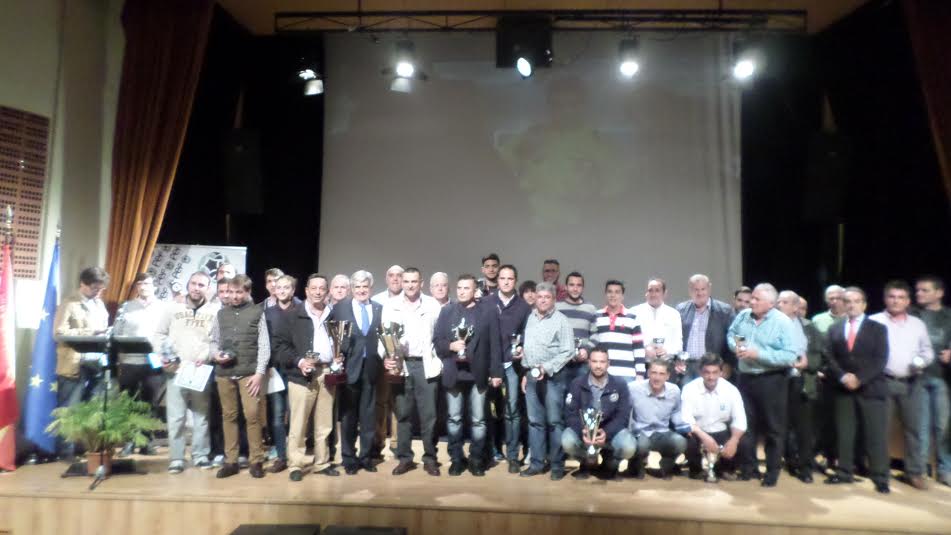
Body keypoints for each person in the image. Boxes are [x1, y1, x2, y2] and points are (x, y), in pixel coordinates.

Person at [727, 283, 798, 487]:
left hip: (772, 380)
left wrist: (758, 354)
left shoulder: (783, 322)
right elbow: (732, 334)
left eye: (757, 299)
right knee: (745, 425)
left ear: (771, 303)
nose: (752, 301)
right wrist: (737, 346)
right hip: (745, 378)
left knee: (773, 428)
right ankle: (748, 468)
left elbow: (789, 356)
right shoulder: (743, 316)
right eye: (752, 298)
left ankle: (772, 471)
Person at [823, 286, 891, 494]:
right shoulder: (834, 329)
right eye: (847, 301)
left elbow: (880, 359)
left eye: (856, 301)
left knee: (875, 435)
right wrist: (843, 376)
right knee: (845, 433)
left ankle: (880, 477)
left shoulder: (878, 328)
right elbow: (829, 357)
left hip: (871, 388)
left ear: (864, 305)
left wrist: (859, 379)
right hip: (843, 389)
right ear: (842, 304)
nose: (851, 305)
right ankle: (844, 472)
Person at [434, 274, 503, 477]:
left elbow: (495, 344)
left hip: (478, 374)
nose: (462, 291)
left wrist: (496, 372)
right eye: (460, 288)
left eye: (467, 288)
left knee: (479, 419)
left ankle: (476, 459)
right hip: (454, 373)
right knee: (454, 418)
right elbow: (437, 341)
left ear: (475, 291)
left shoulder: (488, 312)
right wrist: (451, 346)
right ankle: (456, 459)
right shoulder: (447, 311)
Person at [273, 274, 340, 481]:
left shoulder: (333, 315)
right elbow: (280, 347)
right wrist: (299, 361)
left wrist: (339, 357)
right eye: (314, 288)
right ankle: (295, 464)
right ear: (307, 291)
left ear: (327, 291)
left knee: (324, 423)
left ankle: (322, 462)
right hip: (302, 375)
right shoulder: (292, 315)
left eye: (322, 288)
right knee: (298, 423)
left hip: (327, 372)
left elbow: (341, 342)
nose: (318, 292)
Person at [870, 280, 934, 490]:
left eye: (901, 297)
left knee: (913, 429)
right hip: (883, 381)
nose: (896, 301)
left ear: (908, 301)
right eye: (892, 297)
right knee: (880, 429)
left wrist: (921, 361)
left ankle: (914, 472)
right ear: (885, 299)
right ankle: (879, 471)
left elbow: (927, 351)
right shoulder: (874, 321)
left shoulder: (918, 324)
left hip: (911, 383)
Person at [154, 271, 220, 473]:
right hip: (176, 370)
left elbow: (217, 340)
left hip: (200, 370)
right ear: (188, 285)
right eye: (193, 283)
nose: (196, 288)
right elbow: (159, 334)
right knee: (176, 417)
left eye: (201, 285)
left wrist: (207, 356)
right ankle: (176, 458)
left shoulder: (215, 311)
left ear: (208, 288)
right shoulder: (173, 308)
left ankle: (200, 455)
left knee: (201, 416)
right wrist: (163, 355)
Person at [209, 274, 271, 479]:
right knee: (229, 416)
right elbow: (214, 341)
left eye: (239, 292)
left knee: (252, 415)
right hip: (224, 373)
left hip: (249, 374)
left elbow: (264, 345)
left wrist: (259, 373)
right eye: (231, 292)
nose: (234, 296)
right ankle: (231, 461)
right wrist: (215, 355)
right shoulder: (221, 314)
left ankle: (256, 460)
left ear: (247, 292)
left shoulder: (257, 312)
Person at [382, 268, 443, 477]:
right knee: (403, 414)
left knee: (429, 416)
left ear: (421, 283)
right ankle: (405, 459)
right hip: (401, 365)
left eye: (414, 281)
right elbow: (383, 336)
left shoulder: (433, 305)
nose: (409, 285)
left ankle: (430, 459)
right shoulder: (391, 305)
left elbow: (440, 335)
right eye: (406, 281)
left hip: (426, 365)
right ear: (401, 282)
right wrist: (386, 357)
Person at [518, 282, 575, 481]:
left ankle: (557, 465)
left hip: (553, 378)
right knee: (535, 422)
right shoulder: (530, 318)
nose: (542, 300)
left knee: (554, 422)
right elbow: (528, 348)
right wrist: (526, 372)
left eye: (547, 297)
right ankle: (536, 463)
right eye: (540, 296)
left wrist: (547, 367)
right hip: (532, 377)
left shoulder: (562, 321)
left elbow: (568, 351)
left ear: (554, 299)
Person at [329, 270, 384, 475]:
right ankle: (349, 458)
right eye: (357, 287)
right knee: (348, 417)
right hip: (349, 369)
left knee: (368, 416)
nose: (361, 290)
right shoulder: (340, 308)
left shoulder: (378, 308)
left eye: (365, 286)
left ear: (371, 288)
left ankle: (366, 457)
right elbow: (332, 337)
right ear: (352, 289)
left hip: (371, 369)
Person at [53, 266, 110, 459]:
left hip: (97, 362)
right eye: (94, 288)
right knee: (69, 408)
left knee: (91, 408)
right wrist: (89, 332)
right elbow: (58, 333)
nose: (97, 292)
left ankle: (85, 447)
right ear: (82, 284)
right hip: (75, 363)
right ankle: (65, 452)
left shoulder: (99, 304)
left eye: (100, 289)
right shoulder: (69, 303)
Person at [562, 345, 635, 480]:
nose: (598, 366)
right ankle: (587, 461)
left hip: (609, 431)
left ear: (608, 364)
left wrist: (606, 433)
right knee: (567, 440)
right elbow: (570, 414)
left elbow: (623, 415)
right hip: (585, 431)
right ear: (589, 362)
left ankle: (610, 462)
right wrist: (583, 431)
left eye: (602, 362)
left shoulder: (620, 384)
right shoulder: (577, 383)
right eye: (595, 361)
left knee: (628, 446)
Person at [484, 264, 532, 472]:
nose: (505, 282)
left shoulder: (524, 307)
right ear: (498, 281)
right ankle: (489, 453)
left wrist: (522, 348)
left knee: (512, 411)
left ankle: (513, 456)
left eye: (510, 279)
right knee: (487, 411)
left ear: (515, 281)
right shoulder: (486, 303)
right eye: (502, 278)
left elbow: (527, 335)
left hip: (512, 365)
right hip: (489, 365)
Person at [113, 273, 166, 457]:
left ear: (155, 286)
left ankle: (146, 441)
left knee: (150, 403)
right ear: (136, 287)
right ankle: (129, 441)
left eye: (147, 283)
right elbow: (117, 331)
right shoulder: (126, 307)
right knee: (129, 402)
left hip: (154, 363)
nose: (143, 286)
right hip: (130, 361)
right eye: (140, 283)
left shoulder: (163, 307)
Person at [777, 290, 821, 483]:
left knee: (804, 429)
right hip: (778, 381)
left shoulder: (809, 328)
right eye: (778, 301)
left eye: (785, 302)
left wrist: (807, 363)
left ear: (796, 307)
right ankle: (788, 461)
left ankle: (805, 468)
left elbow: (819, 355)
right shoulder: (771, 325)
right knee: (780, 426)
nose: (779, 305)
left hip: (801, 382)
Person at [681, 353, 746, 482]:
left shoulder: (731, 390)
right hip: (698, 432)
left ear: (721, 372)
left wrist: (734, 440)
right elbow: (686, 419)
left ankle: (726, 469)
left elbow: (740, 420)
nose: (711, 377)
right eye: (707, 372)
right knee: (686, 438)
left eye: (715, 372)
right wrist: (705, 437)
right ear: (700, 372)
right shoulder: (689, 389)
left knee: (744, 440)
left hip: (721, 431)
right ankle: (696, 470)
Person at [912, 275, 951, 487]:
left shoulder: (949, 316)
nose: (919, 294)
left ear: (939, 293)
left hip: (942, 378)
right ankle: (920, 470)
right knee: (921, 428)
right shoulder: (912, 314)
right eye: (917, 290)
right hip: (918, 378)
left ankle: (946, 470)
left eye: (924, 290)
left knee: (943, 427)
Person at [263, 274, 300, 473]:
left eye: (287, 287)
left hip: (297, 369)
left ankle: (295, 456)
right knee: (277, 416)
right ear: (274, 290)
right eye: (279, 287)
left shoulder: (302, 310)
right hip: (275, 371)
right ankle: (281, 456)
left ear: (293, 290)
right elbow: (264, 342)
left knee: (295, 415)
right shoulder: (267, 313)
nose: (283, 291)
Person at [628, 359, 688, 479]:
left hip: (662, 432)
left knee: (680, 442)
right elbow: (626, 411)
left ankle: (665, 466)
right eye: (654, 373)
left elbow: (676, 412)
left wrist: (684, 427)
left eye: (661, 374)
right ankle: (636, 465)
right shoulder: (633, 388)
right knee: (641, 445)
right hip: (640, 432)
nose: (657, 377)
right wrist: (632, 430)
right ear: (648, 373)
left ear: (667, 376)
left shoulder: (674, 391)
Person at [676, 274, 736, 381]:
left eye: (703, 289)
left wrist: (728, 365)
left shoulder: (724, 311)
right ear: (690, 291)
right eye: (696, 289)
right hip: (686, 367)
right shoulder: (681, 310)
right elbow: (675, 338)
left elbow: (731, 339)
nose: (699, 293)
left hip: (712, 367)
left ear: (709, 288)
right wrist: (677, 360)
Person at [371, 265, 403, 460]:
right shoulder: (377, 300)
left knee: (399, 403)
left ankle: (398, 444)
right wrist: (383, 357)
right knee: (380, 403)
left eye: (399, 275)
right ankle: (378, 442)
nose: (395, 279)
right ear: (386, 278)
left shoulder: (409, 299)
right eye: (392, 275)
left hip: (401, 360)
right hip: (381, 361)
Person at [590, 280, 646, 381]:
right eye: (610, 292)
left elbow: (638, 348)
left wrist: (640, 374)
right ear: (605, 294)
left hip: (627, 374)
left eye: (617, 292)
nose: (613, 295)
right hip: (602, 374)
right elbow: (592, 346)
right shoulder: (596, 317)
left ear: (622, 296)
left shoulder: (633, 318)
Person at [631, 278, 683, 371]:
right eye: (650, 290)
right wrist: (644, 350)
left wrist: (667, 350)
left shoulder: (673, 314)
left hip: (666, 365)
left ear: (664, 293)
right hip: (640, 364)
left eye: (657, 290)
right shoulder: (634, 312)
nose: (653, 294)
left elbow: (678, 343)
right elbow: (629, 339)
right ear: (646, 293)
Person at [556, 271, 598, 384]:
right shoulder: (557, 308)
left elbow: (595, 335)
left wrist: (586, 350)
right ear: (566, 287)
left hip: (582, 366)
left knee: (581, 394)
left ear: (583, 288)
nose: (575, 289)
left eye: (579, 285)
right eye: (572, 285)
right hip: (560, 365)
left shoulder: (590, 308)